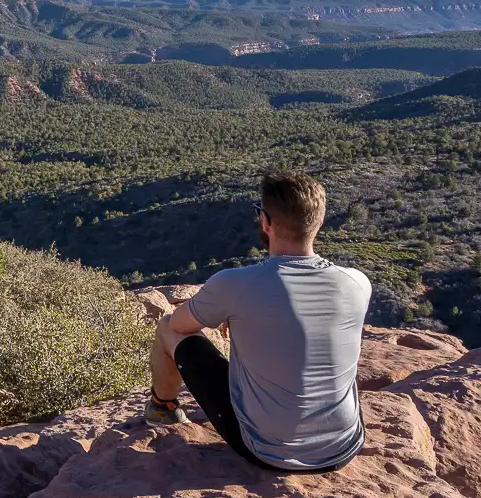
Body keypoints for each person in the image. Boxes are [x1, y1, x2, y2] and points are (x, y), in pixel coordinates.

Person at [145, 170, 370, 472]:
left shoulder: (236, 284)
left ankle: (163, 410)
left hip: (266, 450)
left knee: (165, 327)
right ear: (319, 220)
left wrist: (230, 312)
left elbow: (179, 326)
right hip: (344, 446)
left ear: (265, 221)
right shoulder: (357, 282)